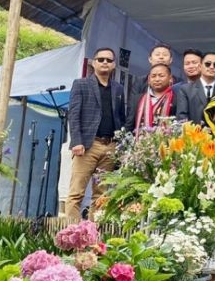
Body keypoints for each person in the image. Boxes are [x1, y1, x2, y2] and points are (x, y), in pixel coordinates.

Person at [66, 47, 126, 221]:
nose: (105, 63)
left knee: (101, 195)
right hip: (87, 145)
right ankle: (72, 235)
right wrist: (77, 141)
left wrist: (119, 146)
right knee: (76, 192)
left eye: (108, 60)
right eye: (101, 59)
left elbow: (120, 118)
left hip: (110, 147)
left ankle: (94, 233)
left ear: (114, 65)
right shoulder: (81, 84)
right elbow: (74, 114)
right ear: (93, 62)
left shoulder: (118, 89)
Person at [125, 64, 178, 133]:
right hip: (140, 142)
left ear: (170, 79)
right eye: (153, 76)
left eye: (161, 76)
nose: (157, 79)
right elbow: (130, 124)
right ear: (149, 80)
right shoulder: (137, 99)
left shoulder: (177, 100)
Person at [176, 52, 215, 125]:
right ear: (200, 66)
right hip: (193, 134)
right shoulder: (185, 89)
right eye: (208, 64)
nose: (211, 67)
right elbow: (182, 118)